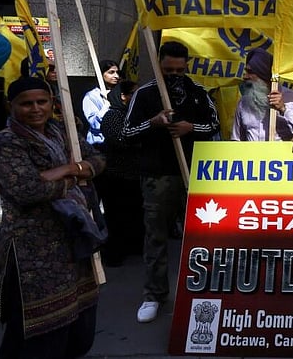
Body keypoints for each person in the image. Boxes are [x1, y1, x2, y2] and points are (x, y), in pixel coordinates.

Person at [0, 77, 106, 358]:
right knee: (36, 334)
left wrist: (69, 168)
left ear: (52, 103)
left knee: (78, 327)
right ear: (11, 105)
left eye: (41, 102)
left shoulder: (61, 132)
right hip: (33, 249)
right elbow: (28, 189)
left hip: (73, 239)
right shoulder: (6, 142)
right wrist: (74, 176)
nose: (36, 109)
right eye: (26, 104)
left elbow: (98, 160)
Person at [123, 42, 220, 324]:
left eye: (180, 69)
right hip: (157, 176)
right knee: (156, 236)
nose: (175, 74)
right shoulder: (145, 94)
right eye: (168, 70)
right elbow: (126, 132)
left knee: (204, 236)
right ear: (159, 66)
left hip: (196, 175)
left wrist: (191, 127)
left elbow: (213, 125)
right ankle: (154, 294)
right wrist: (152, 123)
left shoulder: (198, 93)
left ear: (187, 65)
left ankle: (201, 291)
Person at [98, 80, 144, 267]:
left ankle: (134, 246)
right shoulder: (112, 116)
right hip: (116, 176)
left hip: (135, 175)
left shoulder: (136, 116)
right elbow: (120, 140)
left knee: (134, 213)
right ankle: (115, 252)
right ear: (123, 96)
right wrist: (142, 137)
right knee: (116, 216)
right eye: (134, 93)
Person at [231, 48, 293, 141]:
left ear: (264, 75)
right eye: (246, 71)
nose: (245, 76)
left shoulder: (292, 98)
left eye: (250, 72)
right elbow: (236, 139)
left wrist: (284, 109)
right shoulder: (243, 103)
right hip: (253, 155)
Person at [81, 59, 121, 148]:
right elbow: (95, 124)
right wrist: (106, 106)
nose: (116, 76)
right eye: (111, 72)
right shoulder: (91, 96)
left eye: (117, 72)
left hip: (118, 144)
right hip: (99, 144)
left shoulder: (120, 94)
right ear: (101, 74)